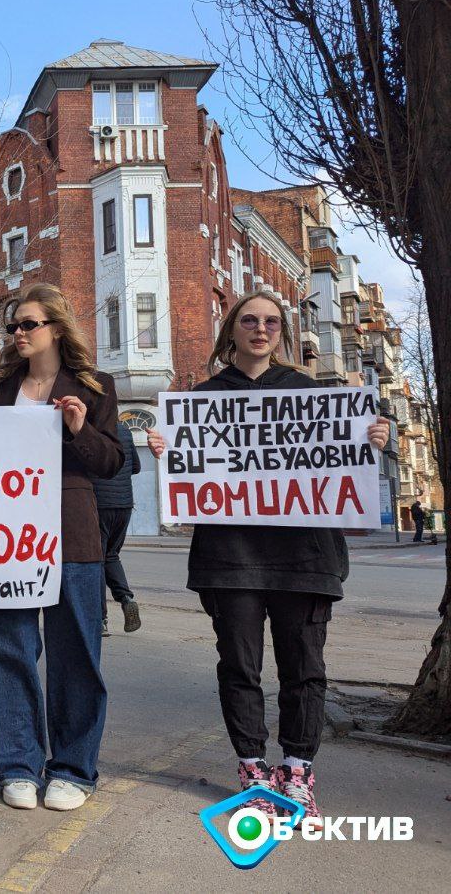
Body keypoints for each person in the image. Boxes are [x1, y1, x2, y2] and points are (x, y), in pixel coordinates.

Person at [145, 290, 389, 822]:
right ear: (231, 329)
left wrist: (371, 439)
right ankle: (253, 769)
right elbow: (190, 476)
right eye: (249, 320)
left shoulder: (312, 395)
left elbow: (342, 460)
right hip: (230, 558)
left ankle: (297, 771)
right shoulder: (202, 402)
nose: (261, 329)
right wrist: (171, 452)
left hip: (305, 557)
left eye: (272, 322)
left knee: (305, 669)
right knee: (239, 666)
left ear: (283, 333)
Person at [0, 283, 124, 812]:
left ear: (56, 328)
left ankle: (73, 769)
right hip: (5, 537)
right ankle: (16, 763)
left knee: (76, 651)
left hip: (71, 533)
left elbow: (110, 463)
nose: (18, 334)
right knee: (7, 646)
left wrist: (79, 427)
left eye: (28, 324)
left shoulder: (94, 386)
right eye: (13, 326)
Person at [93, 421, 142, 636]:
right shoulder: (124, 430)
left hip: (99, 504)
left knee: (96, 560)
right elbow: (136, 467)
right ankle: (126, 598)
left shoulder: (88, 428)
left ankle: (100, 619)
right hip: (124, 504)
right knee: (111, 555)